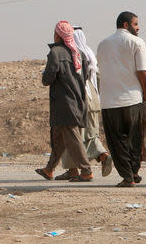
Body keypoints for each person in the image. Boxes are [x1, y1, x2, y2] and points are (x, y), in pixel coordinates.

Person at [97, 11, 146, 187]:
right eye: (136, 24)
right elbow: (143, 71)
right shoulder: (137, 42)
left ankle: (128, 175)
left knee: (117, 141)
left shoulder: (102, 44)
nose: (138, 28)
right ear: (125, 25)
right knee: (134, 139)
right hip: (132, 99)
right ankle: (133, 173)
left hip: (109, 101)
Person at [36, 21, 93, 182]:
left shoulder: (55, 53)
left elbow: (47, 79)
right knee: (59, 138)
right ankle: (49, 169)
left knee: (72, 138)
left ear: (57, 35)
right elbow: (86, 76)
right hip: (78, 101)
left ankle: (86, 171)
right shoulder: (80, 54)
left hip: (64, 104)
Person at [54, 27, 113, 180]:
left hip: (79, 99)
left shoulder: (73, 55)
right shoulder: (89, 53)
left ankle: (73, 170)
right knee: (91, 135)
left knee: (72, 135)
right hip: (93, 98)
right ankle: (102, 155)